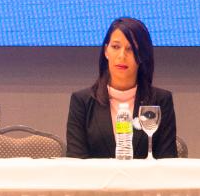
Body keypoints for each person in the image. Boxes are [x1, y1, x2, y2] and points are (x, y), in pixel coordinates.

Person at [65, 16, 181, 158]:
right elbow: (76, 161)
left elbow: (166, 161)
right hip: (97, 180)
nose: (122, 55)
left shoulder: (160, 101)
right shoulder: (82, 101)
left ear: (142, 55)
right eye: (115, 47)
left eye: (131, 49)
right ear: (106, 51)